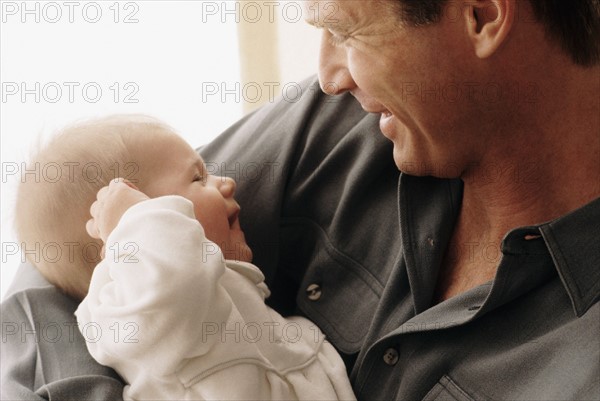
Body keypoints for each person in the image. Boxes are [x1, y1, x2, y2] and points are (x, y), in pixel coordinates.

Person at [2, 0, 599, 399]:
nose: (328, 76)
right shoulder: (336, 126)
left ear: (482, 14)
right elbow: (62, 253)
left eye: (344, 31)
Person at [11, 115, 357, 401]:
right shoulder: (128, 306)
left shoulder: (211, 285)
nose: (227, 183)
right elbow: (173, 283)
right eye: (198, 177)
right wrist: (138, 223)